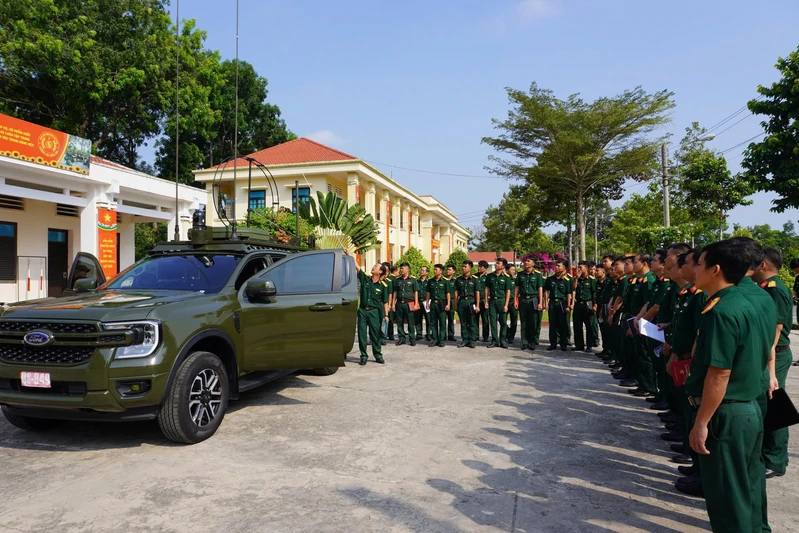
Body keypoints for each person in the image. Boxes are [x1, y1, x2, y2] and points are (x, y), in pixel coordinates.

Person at [685, 239, 772, 533]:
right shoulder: (747, 303)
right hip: (748, 409)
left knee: (728, 500)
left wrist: (701, 423)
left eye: (700, 264)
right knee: (749, 491)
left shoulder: (721, 311)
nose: (694, 269)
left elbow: (719, 375)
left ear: (716, 270)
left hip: (725, 415)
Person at [754, 246, 794, 479]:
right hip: (770, 352)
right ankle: (772, 455)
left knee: (774, 402)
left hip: (776, 353)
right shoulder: (766, 288)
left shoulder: (775, 289)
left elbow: (776, 330)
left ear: (763, 265)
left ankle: (775, 460)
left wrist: (769, 365)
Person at [627, 254, 656, 399]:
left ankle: (648, 386)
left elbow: (648, 304)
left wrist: (640, 320)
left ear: (644, 263)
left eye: (635, 262)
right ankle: (642, 383)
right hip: (636, 319)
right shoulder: (640, 280)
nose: (633, 264)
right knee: (638, 353)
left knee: (645, 355)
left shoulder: (648, 281)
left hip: (644, 322)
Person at [356, 262, 389, 365]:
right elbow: (357, 267)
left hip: (374, 312)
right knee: (362, 335)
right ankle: (363, 356)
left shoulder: (383, 286)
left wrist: (386, 315)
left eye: (375, 267)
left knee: (375, 334)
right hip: (362, 311)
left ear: (380, 271)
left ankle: (378, 355)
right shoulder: (365, 279)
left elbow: (385, 302)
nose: (373, 267)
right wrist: (349, 255)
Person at [515, 255, 544, 351]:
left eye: (528, 261)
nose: (526, 262)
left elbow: (540, 289)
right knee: (523, 321)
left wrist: (540, 302)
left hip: (533, 299)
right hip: (523, 299)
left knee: (533, 321)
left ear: (533, 263)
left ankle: (532, 341)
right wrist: (515, 300)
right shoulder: (520, 274)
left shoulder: (538, 275)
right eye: (525, 261)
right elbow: (517, 287)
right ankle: (524, 341)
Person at [544, 258, 572, 351]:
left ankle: (563, 343)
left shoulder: (568, 280)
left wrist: (568, 305)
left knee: (562, 323)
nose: (556, 267)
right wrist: (545, 303)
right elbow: (546, 291)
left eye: (559, 266)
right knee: (552, 323)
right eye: (556, 265)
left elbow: (569, 294)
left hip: (562, 303)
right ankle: (553, 343)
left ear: (564, 268)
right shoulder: (550, 279)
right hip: (552, 302)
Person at [485, 258, 512, 349]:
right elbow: (487, 289)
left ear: (503, 266)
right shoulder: (490, 276)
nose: (496, 264)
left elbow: (508, 291)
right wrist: (486, 301)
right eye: (496, 263)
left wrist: (506, 305)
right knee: (493, 322)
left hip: (502, 300)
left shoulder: (506, 277)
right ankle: (494, 341)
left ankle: (503, 341)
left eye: (498, 263)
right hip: (492, 301)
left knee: (503, 321)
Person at [572, 260, 597, 353]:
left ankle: (589, 345)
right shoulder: (577, 279)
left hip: (588, 303)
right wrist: (576, 278)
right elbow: (573, 288)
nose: (578, 269)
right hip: (578, 303)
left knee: (589, 325)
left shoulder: (592, 280)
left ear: (586, 268)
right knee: (577, 325)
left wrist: (595, 305)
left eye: (580, 267)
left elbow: (595, 293)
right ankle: (579, 345)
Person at [454, 260, 480, 348]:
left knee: (472, 322)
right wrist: (455, 304)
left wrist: (477, 305)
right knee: (463, 322)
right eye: (463, 266)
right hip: (461, 301)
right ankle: (464, 340)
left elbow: (477, 293)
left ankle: (472, 340)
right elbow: (456, 293)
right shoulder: (458, 279)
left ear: (470, 268)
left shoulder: (475, 279)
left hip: (471, 301)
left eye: (465, 266)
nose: (463, 268)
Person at [392, 262, 419, 346]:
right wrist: (393, 303)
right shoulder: (397, 280)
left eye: (403, 268)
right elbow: (395, 292)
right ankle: (401, 338)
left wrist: (416, 303)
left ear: (407, 269)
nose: (401, 270)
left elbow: (415, 292)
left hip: (409, 303)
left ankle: (412, 338)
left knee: (410, 322)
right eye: (400, 268)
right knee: (399, 322)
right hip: (399, 303)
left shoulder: (413, 280)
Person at [425, 264, 449, 348]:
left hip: (442, 303)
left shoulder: (445, 281)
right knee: (433, 322)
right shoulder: (430, 281)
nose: (434, 271)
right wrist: (427, 302)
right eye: (434, 269)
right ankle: (435, 339)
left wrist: (448, 304)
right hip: (433, 303)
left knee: (442, 322)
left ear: (441, 271)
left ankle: (441, 340)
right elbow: (428, 292)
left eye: (436, 269)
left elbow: (448, 293)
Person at [475, 260, 491, 343]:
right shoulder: (474, 276)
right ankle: (475, 335)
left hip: (484, 300)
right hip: (475, 300)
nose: (479, 268)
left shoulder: (488, 277)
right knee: (475, 319)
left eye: (481, 267)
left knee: (485, 319)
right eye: (478, 266)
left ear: (485, 268)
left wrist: (487, 301)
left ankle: (485, 336)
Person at [415, 266, 432, 341]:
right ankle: (419, 334)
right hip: (418, 301)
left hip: (426, 301)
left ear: (427, 272)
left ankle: (428, 334)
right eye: (421, 270)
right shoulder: (416, 281)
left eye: (423, 270)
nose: (421, 271)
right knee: (418, 318)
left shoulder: (429, 282)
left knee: (428, 319)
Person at [506, 265, 519, 344]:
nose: (513, 271)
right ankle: (508, 331)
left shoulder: (516, 279)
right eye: (512, 270)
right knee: (501, 319)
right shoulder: (504, 278)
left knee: (514, 320)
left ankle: (511, 336)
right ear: (507, 270)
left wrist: (516, 301)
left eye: (514, 270)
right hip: (504, 302)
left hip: (513, 302)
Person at [444, 264, 457, 341]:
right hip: (443, 300)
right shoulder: (443, 279)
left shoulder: (455, 281)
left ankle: (451, 334)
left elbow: (456, 292)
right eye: (447, 269)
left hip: (452, 300)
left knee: (451, 318)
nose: (447, 271)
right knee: (442, 319)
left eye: (449, 269)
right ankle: (443, 335)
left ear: (453, 271)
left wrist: (455, 303)